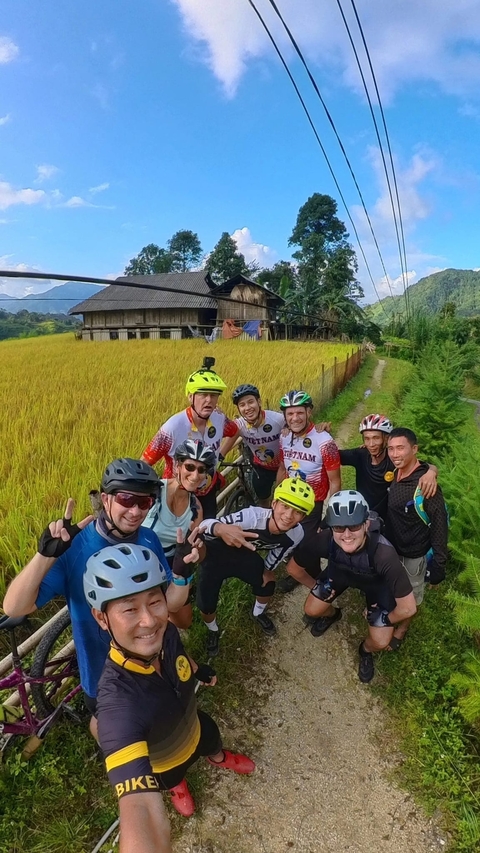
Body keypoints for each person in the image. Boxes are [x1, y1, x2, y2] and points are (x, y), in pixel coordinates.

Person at [84, 542, 255, 847]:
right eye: (129, 609)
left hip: (195, 725)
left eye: (155, 602)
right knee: (174, 777)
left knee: (212, 741)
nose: (149, 620)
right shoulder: (116, 703)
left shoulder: (167, 633)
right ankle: (179, 788)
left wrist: (197, 668)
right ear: (101, 618)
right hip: (165, 763)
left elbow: (179, 654)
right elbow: (141, 810)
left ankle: (219, 758)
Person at [2, 458, 195, 726]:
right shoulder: (75, 548)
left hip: (151, 659)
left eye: (145, 502)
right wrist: (45, 556)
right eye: (127, 500)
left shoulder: (149, 538)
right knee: (119, 733)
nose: (136, 511)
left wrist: (181, 576)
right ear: (106, 499)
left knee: (161, 722)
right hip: (101, 673)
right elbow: (14, 607)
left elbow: (169, 603)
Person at [285, 490, 417, 682]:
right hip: (339, 575)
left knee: (380, 641)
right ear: (331, 527)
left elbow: (408, 607)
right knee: (311, 610)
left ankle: (365, 651)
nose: (346, 535)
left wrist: (388, 617)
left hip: (376, 586)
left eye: (354, 526)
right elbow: (293, 569)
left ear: (366, 524)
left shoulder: (384, 554)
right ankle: (333, 614)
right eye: (339, 527)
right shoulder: (324, 540)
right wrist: (318, 588)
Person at [196, 478, 314, 656]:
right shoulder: (251, 517)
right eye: (285, 506)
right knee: (206, 604)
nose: (289, 515)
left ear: (303, 517)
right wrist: (220, 528)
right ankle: (213, 631)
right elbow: (204, 525)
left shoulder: (297, 534)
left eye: (298, 512)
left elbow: (279, 552)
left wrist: (267, 570)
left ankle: (257, 614)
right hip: (215, 556)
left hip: (245, 556)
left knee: (267, 585)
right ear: (274, 503)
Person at [141, 358, 239, 519]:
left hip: (207, 491)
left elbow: (235, 431)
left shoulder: (219, 418)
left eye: (214, 395)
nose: (209, 400)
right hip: (178, 496)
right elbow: (144, 463)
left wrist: (219, 456)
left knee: (206, 535)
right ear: (190, 397)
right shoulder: (172, 428)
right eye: (203, 395)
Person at [385, 427, 449, 648]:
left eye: (400, 448)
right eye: (391, 449)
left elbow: (440, 525)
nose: (395, 454)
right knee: (393, 588)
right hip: (392, 548)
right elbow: (428, 465)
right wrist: (433, 468)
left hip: (413, 555)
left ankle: (401, 629)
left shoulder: (426, 486)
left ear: (414, 449)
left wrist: (439, 564)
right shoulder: (397, 472)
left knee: (412, 596)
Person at [142, 439, 214, 628]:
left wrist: (198, 550)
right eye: (190, 466)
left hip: (173, 563)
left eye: (201, 470)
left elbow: (197, 552)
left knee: (184, 622)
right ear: (177, 466)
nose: (195, 475)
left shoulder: (195, 507)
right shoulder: (153, 492)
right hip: (142, 561)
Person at [275, 390, 341, 592]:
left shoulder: (324, 441)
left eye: (299, 413)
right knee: (289, 538)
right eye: (290, 414)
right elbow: (283, 468)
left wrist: (328, 516)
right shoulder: (284, 437)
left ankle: (314, 579)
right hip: (288, 499)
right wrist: (276, 497)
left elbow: (336, 482)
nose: (295, 418)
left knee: (307, 544)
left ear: (309, 412)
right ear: (285, 417)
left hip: (312, 503)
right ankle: (302, 573)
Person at [339, 413, 438, 519]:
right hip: (364, 515)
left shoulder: (393, 458)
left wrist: (431, 472)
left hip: (389, 517)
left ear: (386, 439)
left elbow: (423, 465)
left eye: (376, 438)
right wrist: (324, 436)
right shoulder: (361, 454)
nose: (371, 444)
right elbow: (332, 455)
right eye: (367, 439)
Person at [219, 384, 286, 507]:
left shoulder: (278, 419)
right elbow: (224, 444)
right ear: (238, 409)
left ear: (259, 402)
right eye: (242, 405)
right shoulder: (240, 425)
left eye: (251, 402)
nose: (247, 408)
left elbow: (301, 430)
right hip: (262, 468)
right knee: (262, 501)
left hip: (284, 467)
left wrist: (321, 427)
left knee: (283, 502)